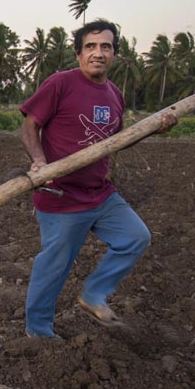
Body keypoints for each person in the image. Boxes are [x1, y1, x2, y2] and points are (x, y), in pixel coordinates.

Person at [18, 20, 177, 338]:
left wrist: (155, 128)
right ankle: (38, 332)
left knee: (136, 236)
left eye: (106, 46)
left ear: (114, 54)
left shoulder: (115, 95)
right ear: (78, 53)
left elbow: (116, 142)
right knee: (55, 266)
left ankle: (92, 294)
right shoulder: (61, 83)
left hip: (100, 194)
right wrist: (39, 161)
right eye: (90, 46)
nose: (98, 53)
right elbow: (30, 125)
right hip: (60, 194)